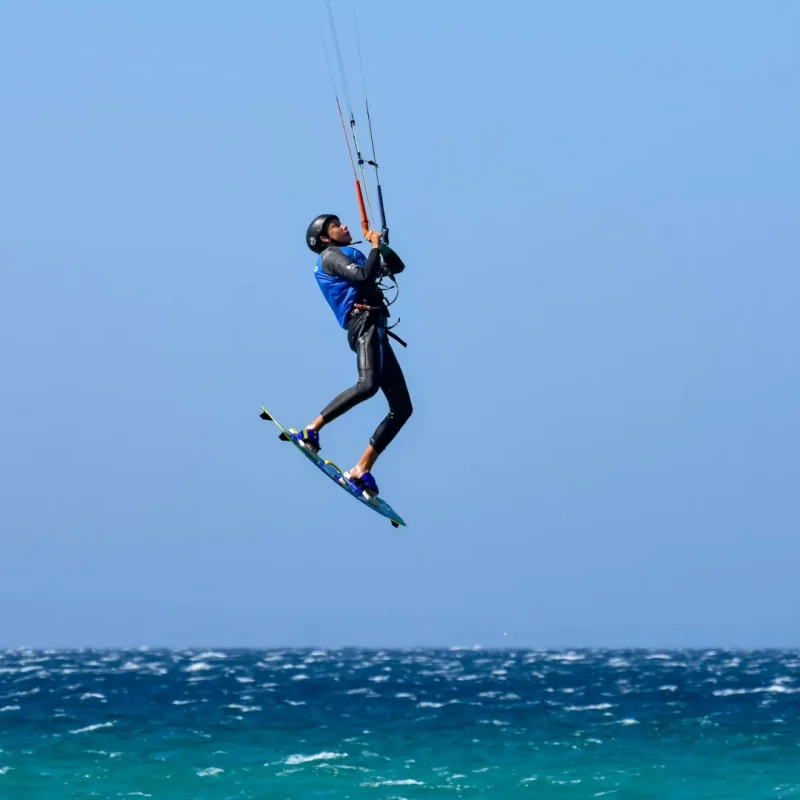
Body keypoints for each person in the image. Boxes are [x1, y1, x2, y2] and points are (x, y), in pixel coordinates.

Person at [290, 213, 413, 496]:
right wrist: (372, 248)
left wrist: (380, 247)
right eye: (336, 226)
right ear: (324, 238)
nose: (344, 226)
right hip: (363, 324)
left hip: (378, 328)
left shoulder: (352, 253)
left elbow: (398, 267)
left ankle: (362, 468)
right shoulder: (330, 256)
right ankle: (311, 429)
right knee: (367, 385)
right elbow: (363, 275)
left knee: (402, 408)